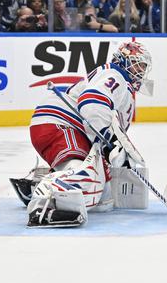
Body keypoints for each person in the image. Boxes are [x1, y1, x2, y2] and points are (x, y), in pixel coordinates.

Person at [24, 41, 153, 227]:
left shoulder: (118, 81)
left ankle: (45, 180)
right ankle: (42, 200)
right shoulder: (115, 76)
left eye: (144, 67)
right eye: (139, 64)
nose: (141, 71)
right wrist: (112, 143)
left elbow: (109, 124)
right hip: (62, 125)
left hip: (66, 126)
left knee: (103, 198)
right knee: (89, 180)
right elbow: (92, 104)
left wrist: (119, 150)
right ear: (125, 60)